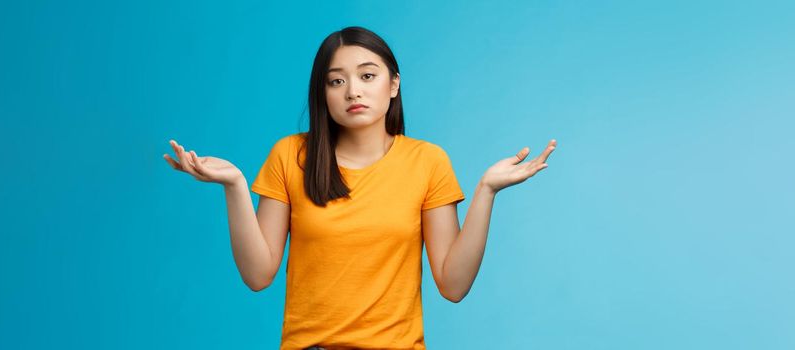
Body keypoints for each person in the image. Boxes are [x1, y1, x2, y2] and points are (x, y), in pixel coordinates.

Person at [163, 26, 556, 350]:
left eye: (368, 76)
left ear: (393, 84)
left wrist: (486, 191)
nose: (353, 91)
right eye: (337, 81)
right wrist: (233, 185)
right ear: (324, 93)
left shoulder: (428, 161)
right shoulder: (291, 156)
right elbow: (258, 275)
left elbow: (453, 285)